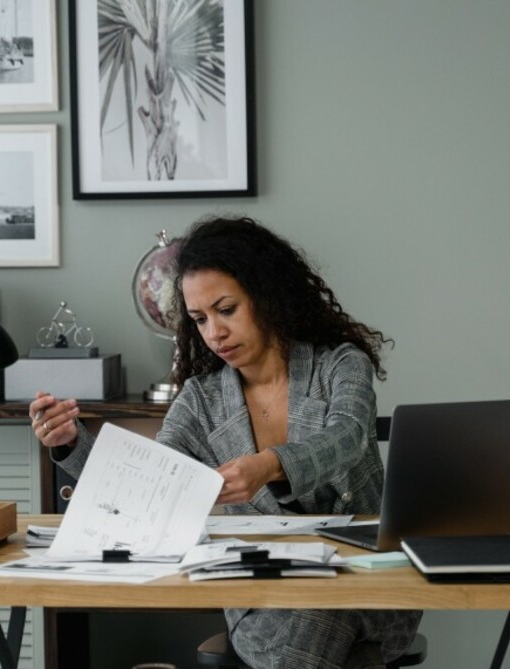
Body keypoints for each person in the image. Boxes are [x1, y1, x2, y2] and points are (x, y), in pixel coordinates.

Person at [29, 216, 422, 669]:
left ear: (267, 296)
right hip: (263, 599)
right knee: (313, 629)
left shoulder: (340, 365)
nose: (214, 332)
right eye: (199, 319)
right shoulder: (201, 398)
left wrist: (269, 465)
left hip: (364, 586)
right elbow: (149, 480)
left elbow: (347, 437)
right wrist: (70, 442)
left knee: (321, 613)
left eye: (226, 309)